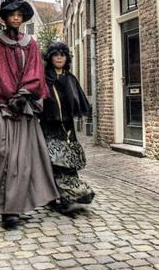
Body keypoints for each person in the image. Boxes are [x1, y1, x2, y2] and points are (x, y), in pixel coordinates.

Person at [0, 0, 59, 229]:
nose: (16, 18)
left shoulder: (30, 44)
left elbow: (35, 72)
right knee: (0, 156)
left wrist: (23, 95)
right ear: (6, 17)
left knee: (21, 160)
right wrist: (2, 97)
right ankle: (1, 205)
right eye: (12, 14)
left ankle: (13, 209)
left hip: (23, 108)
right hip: (0, 108)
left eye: (20, 14)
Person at [41, 42, 95, 214]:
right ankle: (56, 196)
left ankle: (69, 194)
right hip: (49, 126)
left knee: (68, 161)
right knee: (54, 161)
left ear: (66, 58)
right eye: (55, 54)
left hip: (67, 127)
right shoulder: (43, 77)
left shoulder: (71, 79)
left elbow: (77, 102)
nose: (59, 57)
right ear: (50, 57)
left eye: (62, 54)